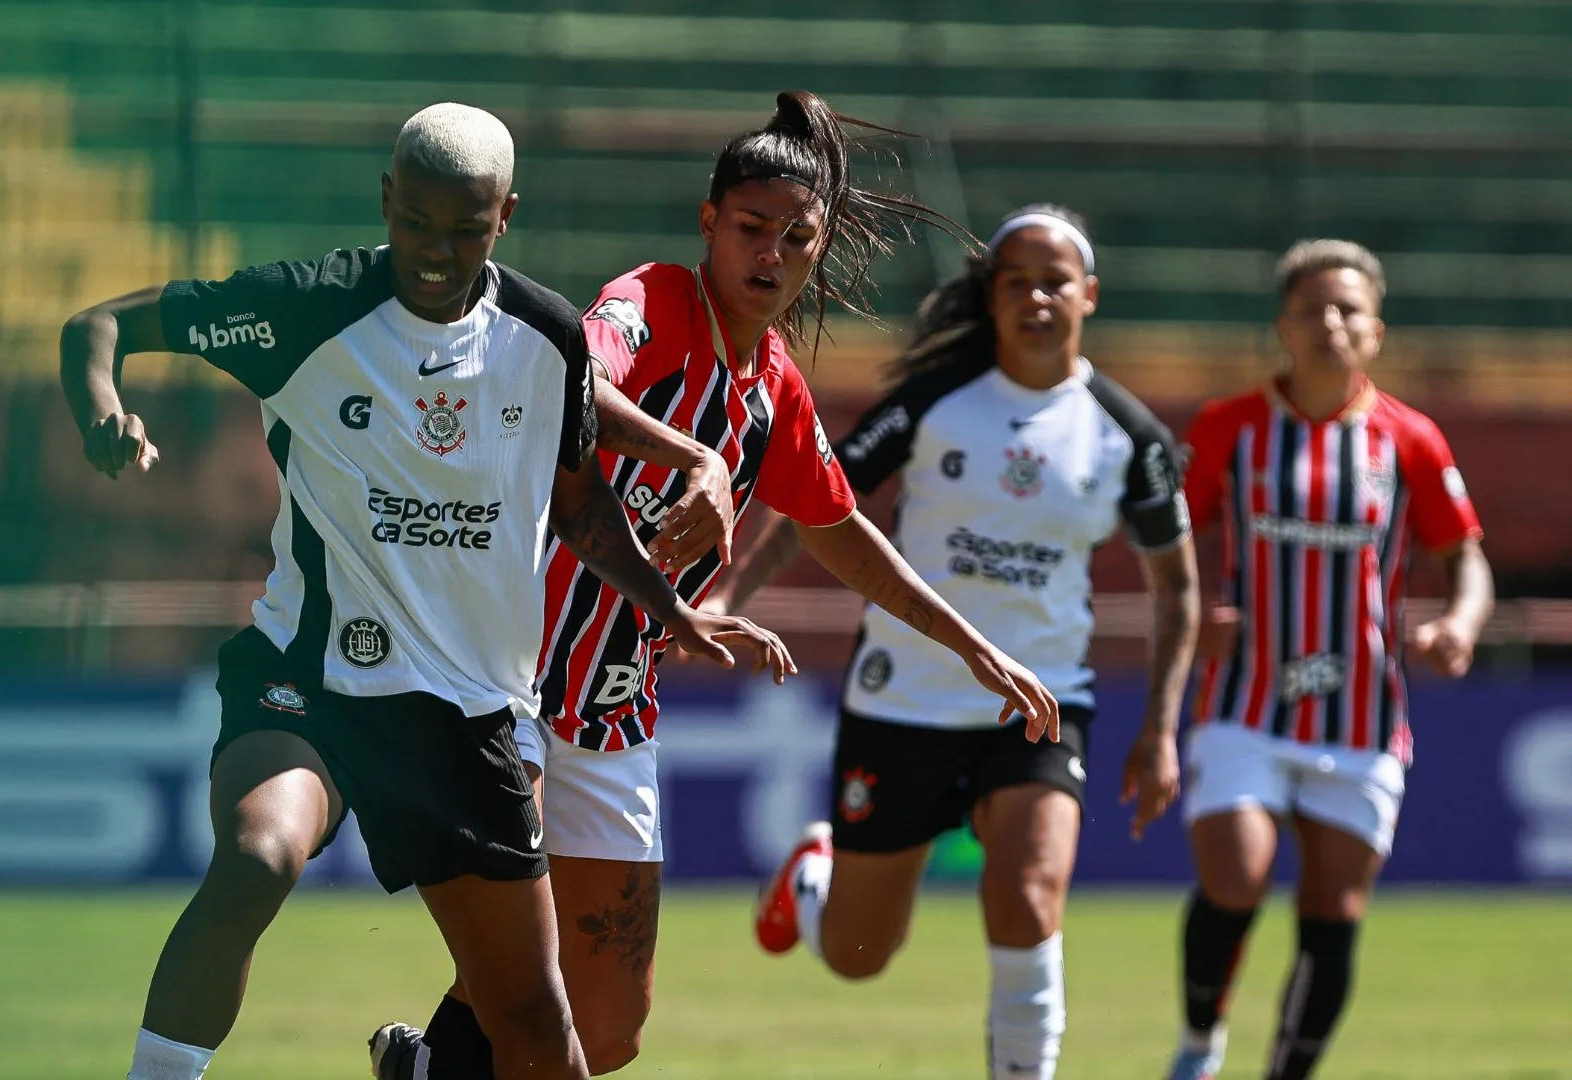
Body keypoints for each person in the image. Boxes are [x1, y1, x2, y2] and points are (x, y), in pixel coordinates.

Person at [58, 102, 793, 1080]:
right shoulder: (306, 309)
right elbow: (100, 324)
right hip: (307, 685)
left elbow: (581, 514)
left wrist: (669, 610)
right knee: (258, 856)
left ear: (506, 214)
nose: (435, 251)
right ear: (386, 200)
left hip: (467, 717)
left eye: (465, 228)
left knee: (534, 1023)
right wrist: (104, 408)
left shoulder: (549, 339)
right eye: (415, 223)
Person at [370, 92, 1062, 1080]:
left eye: (796, 237)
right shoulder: (652, 303)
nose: (770, 254)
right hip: (503, 677)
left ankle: (424, 1068)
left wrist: (974, 645)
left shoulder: (773, 384)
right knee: (518, 973)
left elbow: (842, 532)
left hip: (612, 707)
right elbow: (573, 378)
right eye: (750, 228)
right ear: (709, 223)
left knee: (607, 1030)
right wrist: (690, 455)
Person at [719, 204, 1200, 1080]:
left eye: (1055, 280)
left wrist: (1162, 729)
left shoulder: (1129, 437)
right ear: (992, 296)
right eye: (1015, 280)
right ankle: (817, 881)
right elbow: (813, 507)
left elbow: (1178, 588)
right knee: (859, 954)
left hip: (1041, 698)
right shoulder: (934, 402)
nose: (1036, 296)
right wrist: (726, 595)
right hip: (903, 697)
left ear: (1089, 294)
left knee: (1025, 898)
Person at [1163, 240, 1493, 1080]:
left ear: (1375, 331)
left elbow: (1466, 558)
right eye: (1312, 308)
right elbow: (1165, 536)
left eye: (1348, 309)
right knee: (1236, 876)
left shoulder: (1410, 440)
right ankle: (1201, 1044)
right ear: (1284, 325)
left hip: (1362, 717)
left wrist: (1460, 620)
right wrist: (1194, 610)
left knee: (1334, 909)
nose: (1330, 324)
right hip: (1244, 704)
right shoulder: (1228, 427)